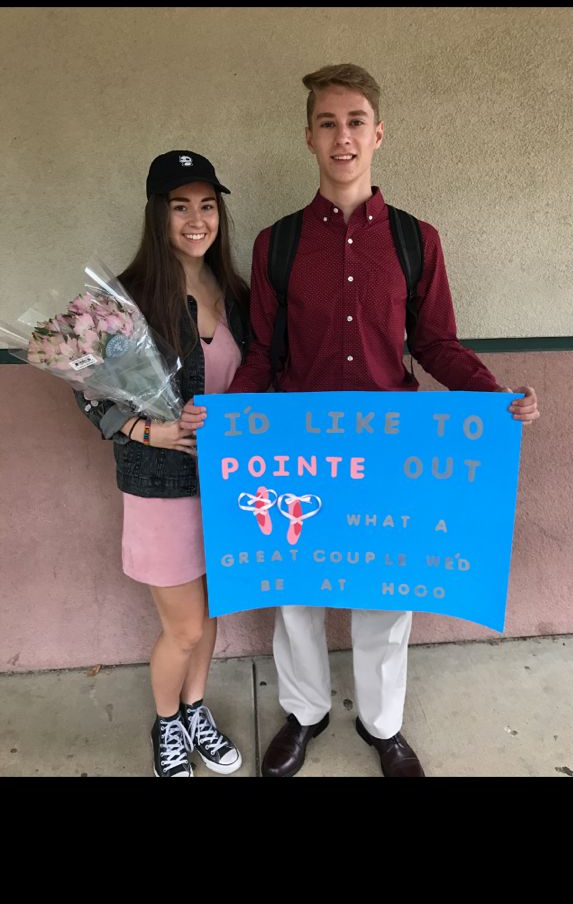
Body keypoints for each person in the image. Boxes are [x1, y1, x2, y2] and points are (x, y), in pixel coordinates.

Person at [218, 63, 539, 778]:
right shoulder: (278, 243)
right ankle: (303, 713)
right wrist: (222, 418)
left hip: (390, 451)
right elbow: (264, 357)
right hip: (296, 451)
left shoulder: (415, 239)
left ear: (378, 133)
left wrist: (493, 399)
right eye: (327, 123)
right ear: (308, 137)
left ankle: (381, 723)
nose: (342, 137)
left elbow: (435, 344)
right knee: (294, 589)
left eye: (355, 121)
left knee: (384, 589)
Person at [77, 150, 250, 777]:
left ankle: (196, 708)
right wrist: (148, 429)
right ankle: (167, 724)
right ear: (158, 215)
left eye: (207, 206)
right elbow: (85, 387)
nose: (197, 220)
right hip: (161, 491)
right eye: (181, 207)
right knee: (181, 628)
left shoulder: (236, 293)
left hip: (232, 487)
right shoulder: (125, 299)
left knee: (210, 616)